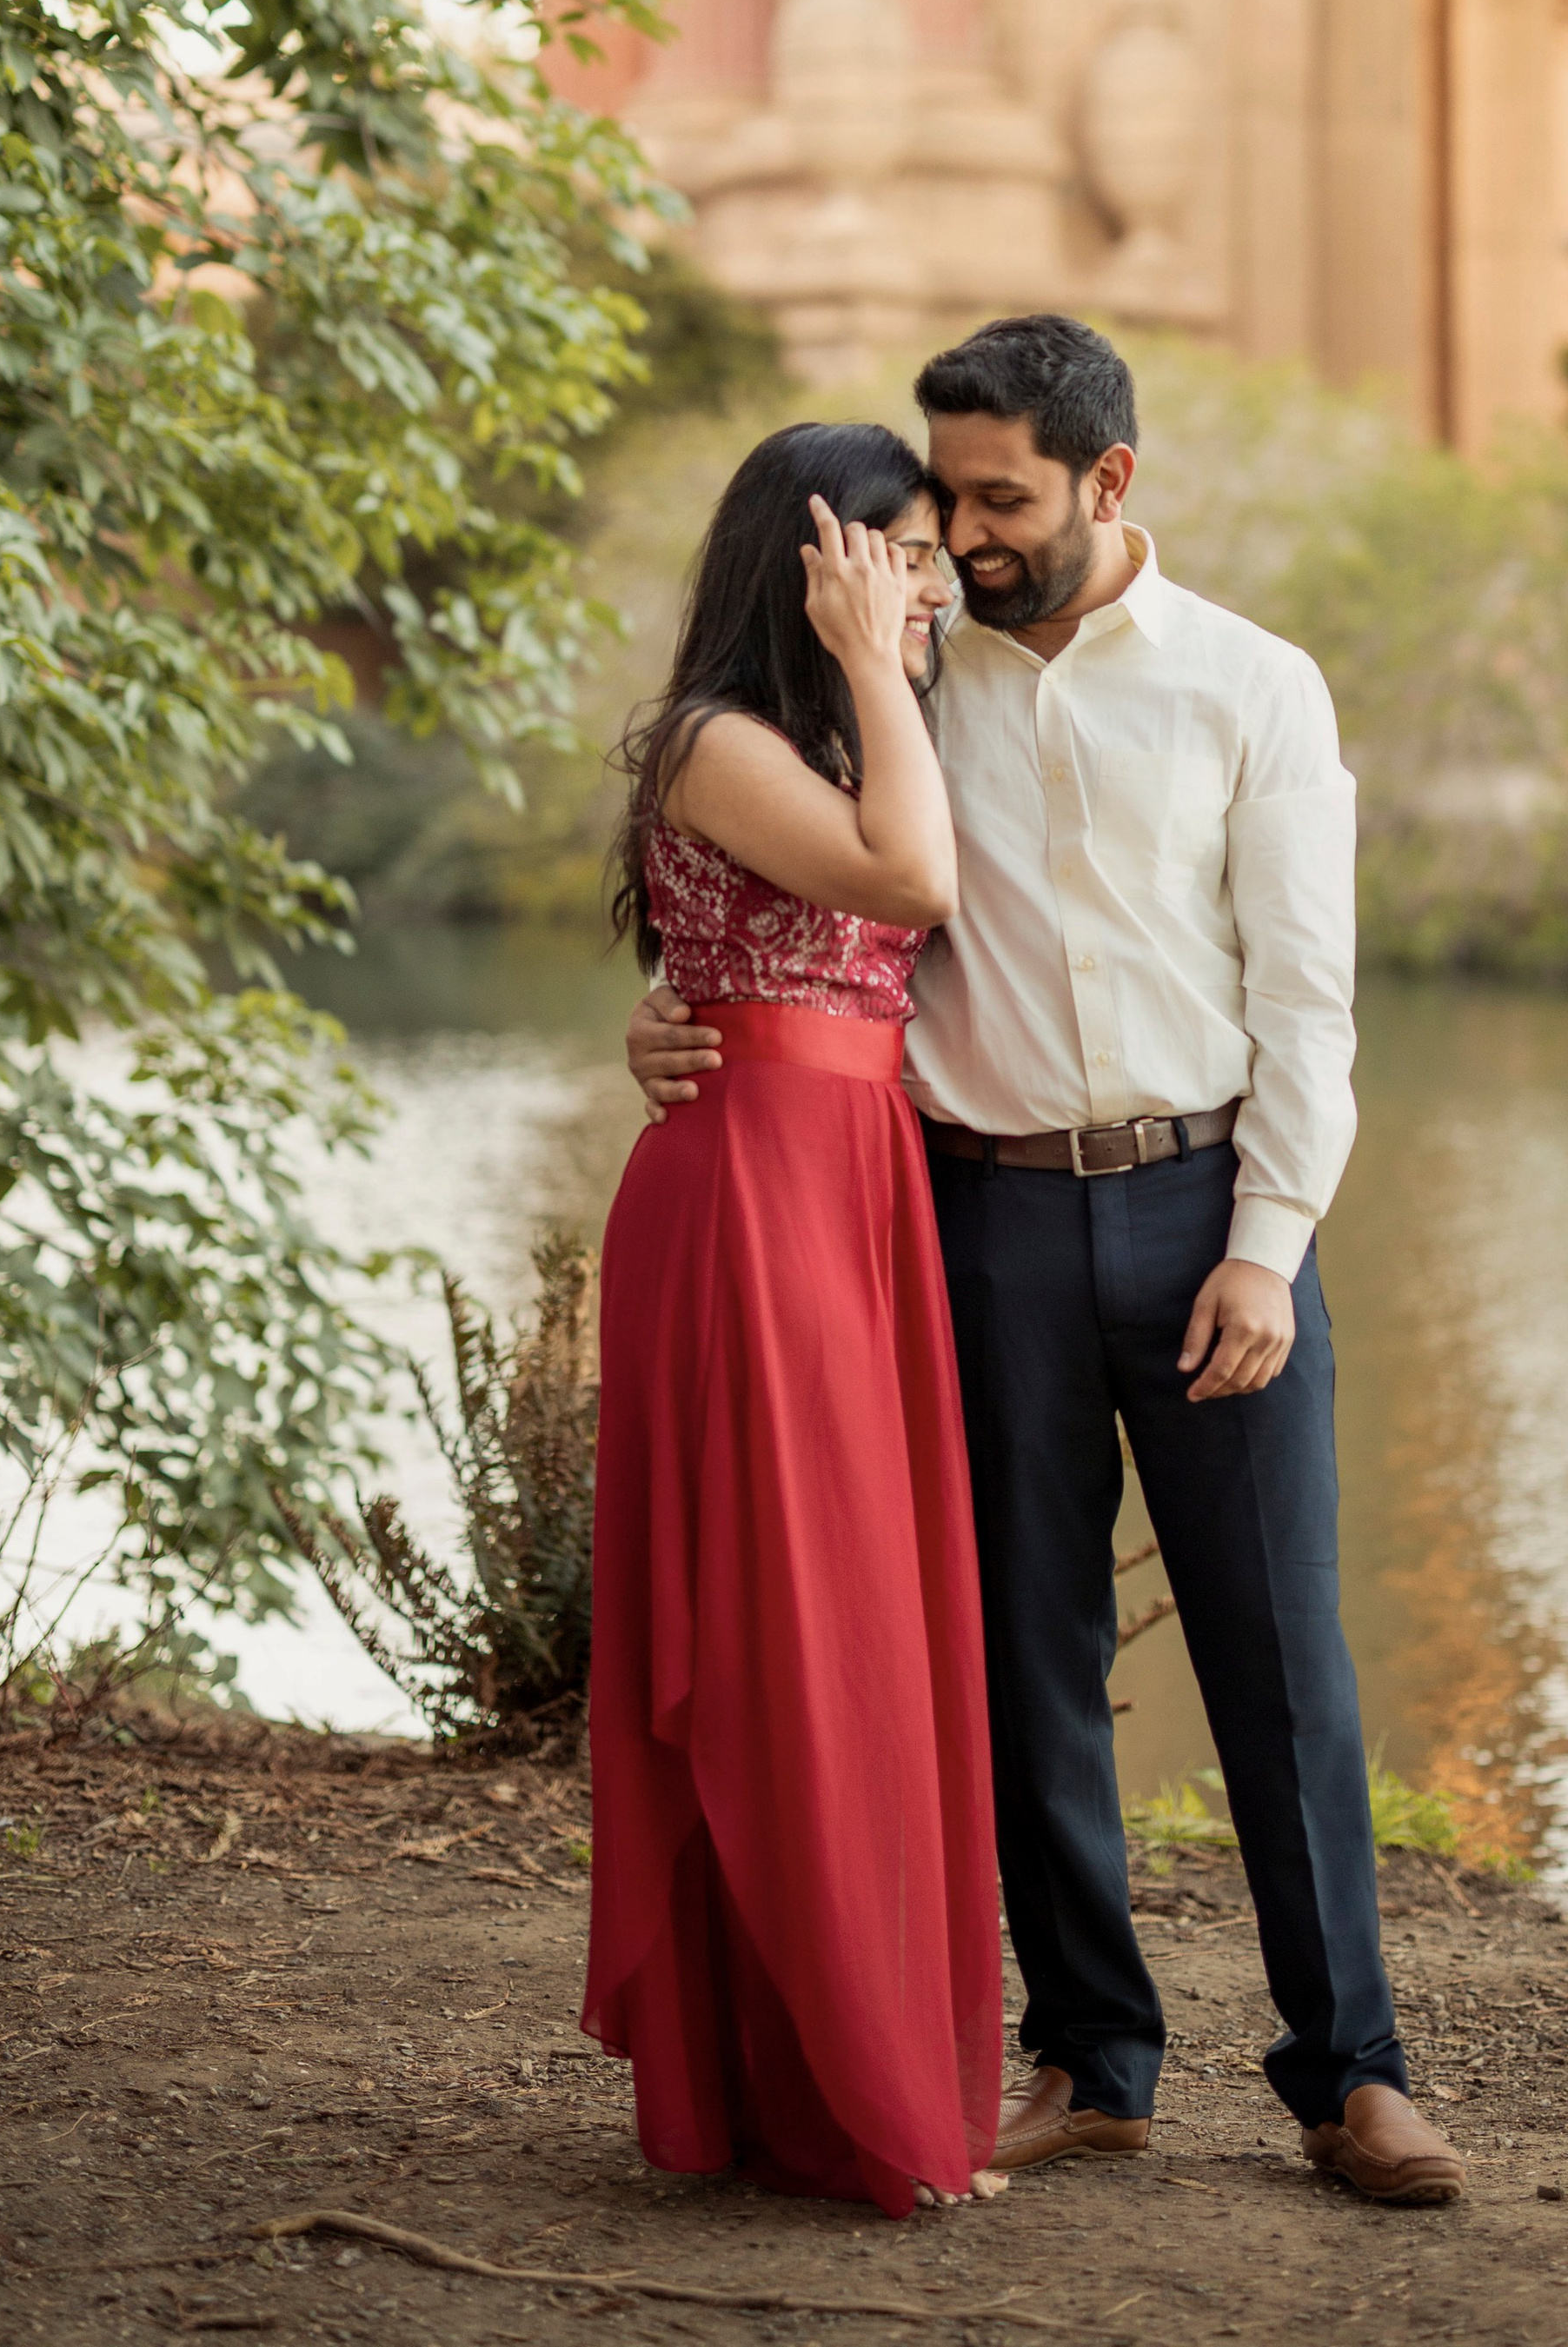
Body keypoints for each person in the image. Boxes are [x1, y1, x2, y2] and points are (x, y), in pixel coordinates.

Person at [628, 318, 1468, 2211]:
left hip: (1203, 1220)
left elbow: (1308, 1003)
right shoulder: (904, 680)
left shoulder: (1254, 686)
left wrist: (1267, 1246)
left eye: (997, 501)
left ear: (1108, 481)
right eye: (944, 506)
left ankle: (1352, 2072)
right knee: (1019, 1659)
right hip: (971, 1218)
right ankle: (1094, 2057)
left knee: (1280, 1663)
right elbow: (773, 889)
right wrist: (664, 1018)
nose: (966, 540)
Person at [584, 421, 999, 2218]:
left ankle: (832, 2067)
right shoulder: (716, 739)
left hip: (856, 1180)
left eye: (928, 554)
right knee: (784, 1642)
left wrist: (881, 673)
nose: (926, 581)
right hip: (752, 1194)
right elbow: (908, 885)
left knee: (864, 1632)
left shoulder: (853, 727)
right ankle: (820, 2089)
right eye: (894, 550)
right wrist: (868, 659)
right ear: (805, 562)